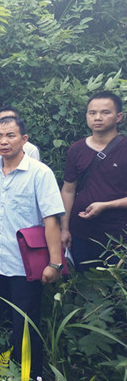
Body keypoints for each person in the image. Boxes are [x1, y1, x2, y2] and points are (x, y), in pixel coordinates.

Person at [0, 116, 64, 378]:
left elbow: (51, 219)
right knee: (8, 320)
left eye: (10, 135)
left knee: (25, 324)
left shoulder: (40, 173)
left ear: (24, 140)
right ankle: (10, 368)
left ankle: (31, 373)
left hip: (26, 265)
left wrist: (55, 263)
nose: (4, 141)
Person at [60, 91, 127, 271]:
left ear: (118, 117)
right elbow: (68, 190)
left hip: (117, 237)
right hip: (80, 233)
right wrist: (64, 229)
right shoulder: (76, 149)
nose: (98, 117)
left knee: (114, 289)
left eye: (105, 112)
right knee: (83, 286)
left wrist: (106, 205)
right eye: (92, 113)